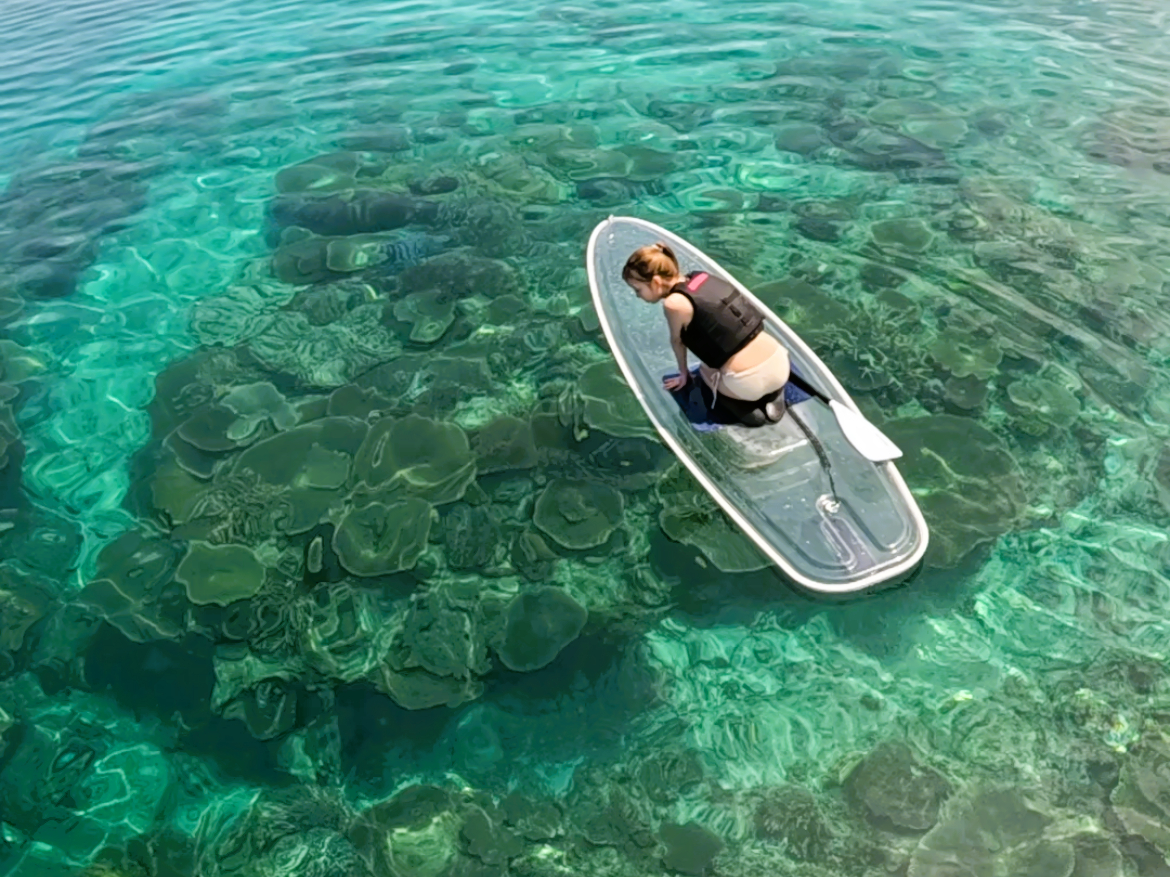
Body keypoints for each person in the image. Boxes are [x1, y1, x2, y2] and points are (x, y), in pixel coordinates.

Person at [622, 241, 790, 427]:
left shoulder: (673, 303)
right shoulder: (702, 277)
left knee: (706, 371)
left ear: (655, 282)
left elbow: (677, 342)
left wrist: (683, 374)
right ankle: (774, 392)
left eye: (638, 289)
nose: (637, 295)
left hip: (745, 383)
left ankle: (750, 414)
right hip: (780, 361)